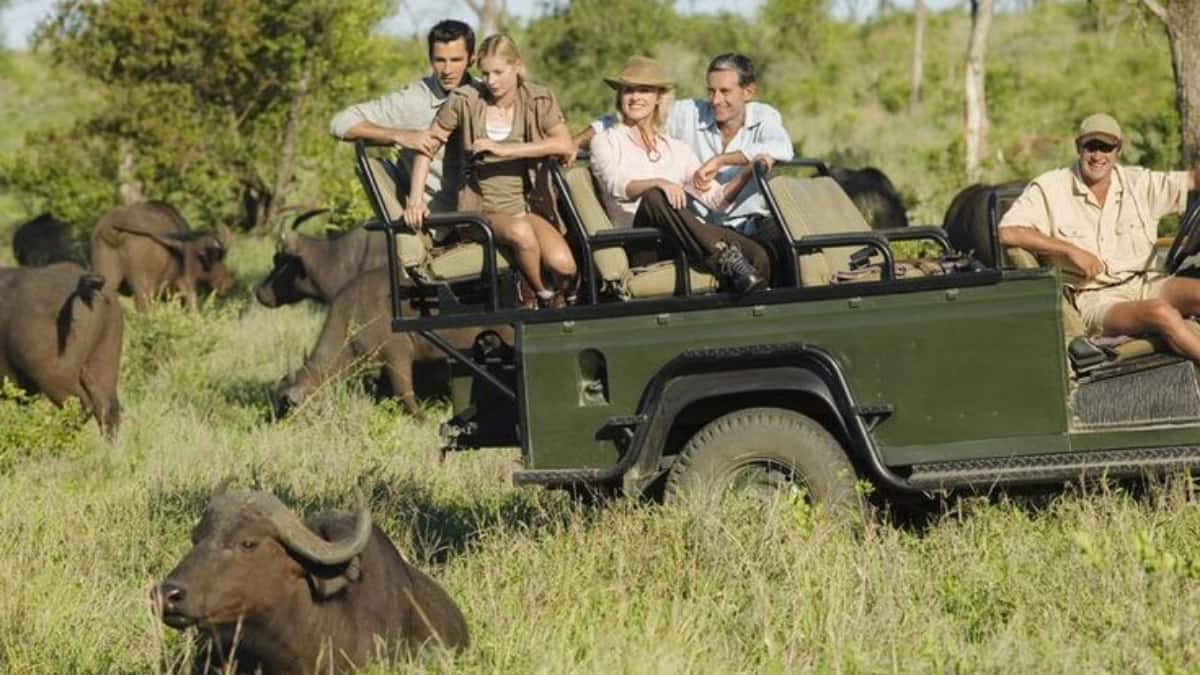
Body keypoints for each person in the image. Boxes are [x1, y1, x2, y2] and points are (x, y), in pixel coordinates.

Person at [999, 113, 1200, 359]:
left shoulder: (1138, 183)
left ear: (1118, 151)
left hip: (1145, 283)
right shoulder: (1050, 188)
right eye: (1091, 147)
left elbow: (1192, 179)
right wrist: (1070, 250)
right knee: (1161, 312)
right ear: (1078, 148)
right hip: (1096, 298)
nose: (1097, 156)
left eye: (1106, 147)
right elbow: (1008, 232)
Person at [404, 34, 577, 307]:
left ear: (516, 66)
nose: (491, 81)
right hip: (480, 212)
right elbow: (427, 147)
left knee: (564, 265)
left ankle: (553, 290)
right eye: (485, 73)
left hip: (525, 207)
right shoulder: (465, 99)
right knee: (520, 233)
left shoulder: (538, 98)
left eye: (498, 72)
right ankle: (541, 294)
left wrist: (505, 150)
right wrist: (415, 200)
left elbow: (564, 143)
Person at [590, 57, 770, 294]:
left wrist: (748, 171)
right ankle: (722, 257)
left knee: (757, 256)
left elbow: (715, 200)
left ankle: (743, 302)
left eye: (644, 90)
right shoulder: (606, 141)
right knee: (655, 196)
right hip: (639, 241)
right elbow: (617, 186)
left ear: (658, 97)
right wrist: (660, 182)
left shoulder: (676, 148)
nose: (635, 97)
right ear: (620, 96)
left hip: (680, 238)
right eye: (628, 91)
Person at [577, 53, 794, 236]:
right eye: (711, 91)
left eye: (725, 91)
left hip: (749, 223)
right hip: (693, 227)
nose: (716, 100)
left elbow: (782, 148)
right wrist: (575, 142)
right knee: (657, 197)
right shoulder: (689, 112)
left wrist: (723, 161)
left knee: (781, 238)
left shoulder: (764, 116)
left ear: (748, 92)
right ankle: (724, 254)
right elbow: (630, 113)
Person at [330, 20, 475, 214]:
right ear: (430, 59)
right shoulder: (413, 100)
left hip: (482, 209)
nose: (447, 70)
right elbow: (340, 123)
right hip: (436, 218)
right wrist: (401, 136)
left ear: (471, 59)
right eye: (440, 60)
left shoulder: (485, 94)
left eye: (456, 60)